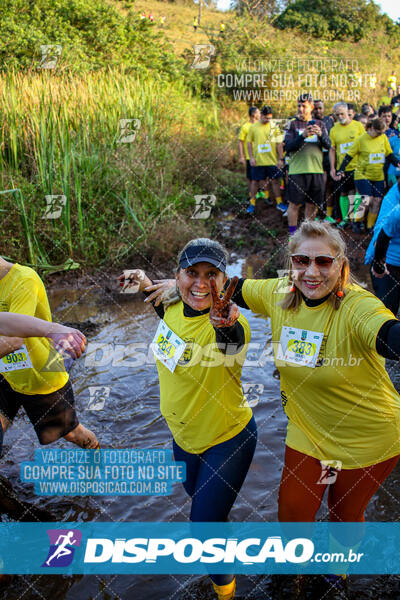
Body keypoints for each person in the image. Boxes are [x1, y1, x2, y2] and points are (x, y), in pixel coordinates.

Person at [148, 221, 400, 596]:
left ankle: (337, 571)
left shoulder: (357, 307)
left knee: (344, 514)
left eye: (323, 262)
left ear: (341, 264)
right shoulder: (281, 291)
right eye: (302, 261)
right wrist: (182, 287)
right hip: (308, 430)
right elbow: (230, 288)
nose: (311, 272)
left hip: (368, 434)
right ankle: (294, 572)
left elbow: (389, 336)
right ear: (291, 263)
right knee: (293, 517)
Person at [120, 239, 257, 600]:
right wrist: (146, 280)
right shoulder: (172, 307)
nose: (200, 283)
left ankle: (226, 594)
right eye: (191, 273)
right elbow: (163, 308)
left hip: (227, 438)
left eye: (211, 275)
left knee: (202, 529)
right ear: (177, 276)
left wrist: (226, 320)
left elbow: (232, 338)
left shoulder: (229, 322)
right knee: (209, 513)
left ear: (225, 281)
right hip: (183, 440)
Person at [0, 256, 98, 452]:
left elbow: (14, 340)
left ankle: (96, 460)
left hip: (40, 377)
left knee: (72, 433)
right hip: (6, 374)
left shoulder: (23, 279)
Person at [0, 313, 86, 454]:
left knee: (71, 432)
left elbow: (7, 326)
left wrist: (55, 330)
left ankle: (98, 462)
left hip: (37, 376)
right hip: (14, 375)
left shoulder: (21, 290)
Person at [336, 118, 400, 232]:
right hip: (362, 175)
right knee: (366, 199)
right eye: (378, 132)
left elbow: (389, 154)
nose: (379, 135)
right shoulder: (361, 139)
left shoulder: (383, 138)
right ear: (371, 128)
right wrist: (341, 169)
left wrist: (397, 163)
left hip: (378, 175)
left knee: (377, 201)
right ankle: (356, 221)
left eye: (382, 133)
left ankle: (370, 226)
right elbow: (349, 155)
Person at [284, 93, 331, 234]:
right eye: (298, 106)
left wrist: (321, 136)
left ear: (311, 107)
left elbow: (329, 145)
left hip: (316, 170)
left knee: (312, 205)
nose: (300, 109)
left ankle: (307, 233)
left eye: (303, 106)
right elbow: (287, 146)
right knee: (294, 204)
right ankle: (292, 234)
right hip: (297, 171)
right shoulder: (291, 123)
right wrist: (302, 136)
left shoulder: (321, 124)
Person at [366, 180, 400, 315]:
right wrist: (378, 265)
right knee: (387, 313)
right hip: (390, 265)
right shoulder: (395, 210)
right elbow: (381, 238)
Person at [329, 102, 365, 228]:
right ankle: (346, 219)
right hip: (342, 168)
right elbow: (332, 149)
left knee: (358, 192)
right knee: (344, 193)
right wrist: (333, 168)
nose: (340, 116)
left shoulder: (358, 126)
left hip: (358, 166)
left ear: (347, 112)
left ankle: (357, 219)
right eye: (337, 114)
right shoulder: (334, 129)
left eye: (342, 113)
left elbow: (365, 144)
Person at [246, 106, 286, 214]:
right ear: (261, 115)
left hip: (272, 160)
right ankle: (252, 203)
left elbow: (279, 144)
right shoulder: (253, 127)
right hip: (258, 161)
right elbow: (249, 143)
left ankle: (279, 202)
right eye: (265, 118)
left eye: (269, 118)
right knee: (255, 182)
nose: (267, 120)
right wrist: (251, 158)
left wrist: (281, 159)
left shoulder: (274, 127)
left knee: (275, 181)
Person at [238, 106, 260, 206]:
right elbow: (240, 142)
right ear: (254, 115)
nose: (260, 115)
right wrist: (241, 156)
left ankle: (263, 194)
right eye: (258, 113)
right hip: (249, 157)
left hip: (261, 156)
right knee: (250, 178)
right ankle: (251, 196)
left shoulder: (261, 125)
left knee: (262, 177)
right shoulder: (245, 127)